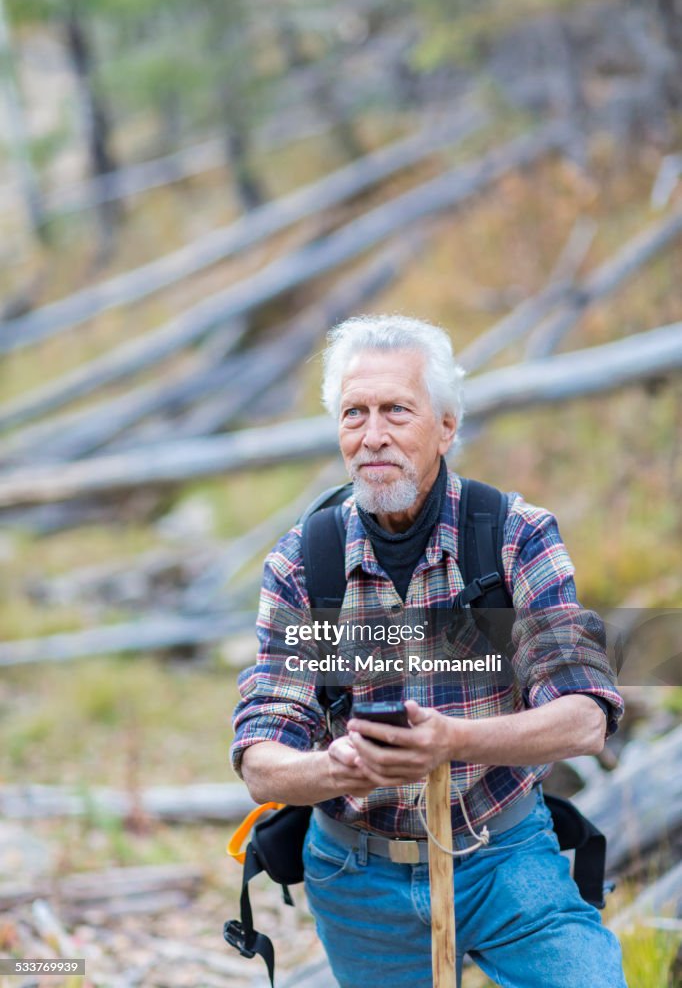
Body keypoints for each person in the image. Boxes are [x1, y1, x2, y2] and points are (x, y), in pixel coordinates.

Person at [231, 314, 627, 988]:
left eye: (397, 410)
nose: (373, 435)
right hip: (358, 878)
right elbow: (262, 761)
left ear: (446, 425)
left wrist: (454, 741)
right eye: (354, 413)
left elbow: (585, 715)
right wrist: (339, 770)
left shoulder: (513, 538)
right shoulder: (305, 564)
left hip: (504, 854)